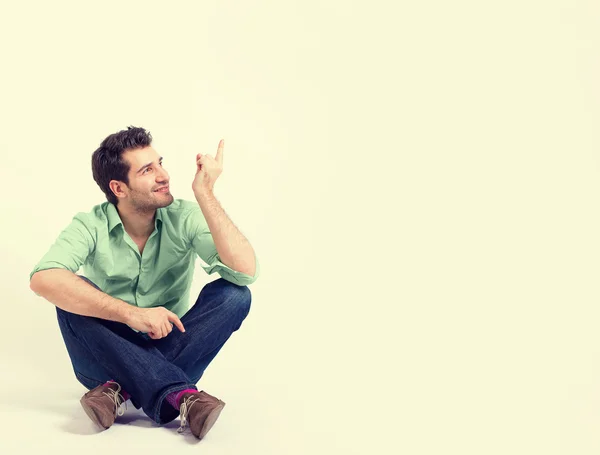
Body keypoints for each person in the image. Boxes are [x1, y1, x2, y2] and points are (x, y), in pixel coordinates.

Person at [28, 126, 259, 440]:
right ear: (119, 188)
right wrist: (131, 314)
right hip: (100, 362)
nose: (164, 175)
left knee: (235, 295)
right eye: (148, 170)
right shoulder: (89, 224)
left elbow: (245, 272)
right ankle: (181, 396)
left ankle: (118, 392)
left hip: (174, 349)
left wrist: (205, 193)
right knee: (68, 289)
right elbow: (43, 278)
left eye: (160, 163)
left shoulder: (184, 217)